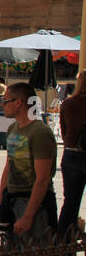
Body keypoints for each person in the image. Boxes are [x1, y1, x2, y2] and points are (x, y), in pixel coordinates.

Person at [0, 82, 57, 256]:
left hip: (34, 202)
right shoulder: (13, 129)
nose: (2, 105)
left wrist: (28, 215)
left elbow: (43, 178)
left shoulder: (40, 132)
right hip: (12, 199)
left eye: (6, 101)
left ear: (19, 102)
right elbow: (8, 169)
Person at [57, 72, 86, 242]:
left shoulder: (68, 103)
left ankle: (62, 248)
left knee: (70, 204)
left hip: (72, 154)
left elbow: (64, 132)